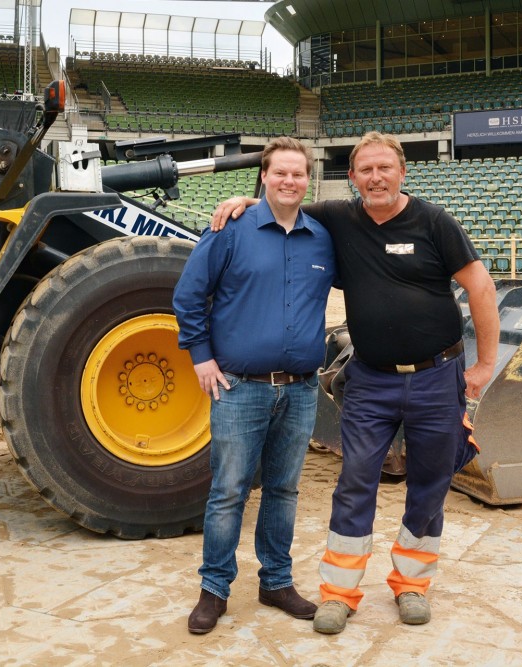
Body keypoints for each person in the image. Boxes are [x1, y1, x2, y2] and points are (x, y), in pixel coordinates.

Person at [210, 132, 499, 634]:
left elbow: (480, 287)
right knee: (355, 482)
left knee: (430, 486)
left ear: (402, 172)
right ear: (352, 178)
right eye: (365, 170)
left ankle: (412, 584)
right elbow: (283, 203)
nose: (376, 177)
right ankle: (339, 593)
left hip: (437, 378)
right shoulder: (339, 219)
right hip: (369, 381)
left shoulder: (435, 222)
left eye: (385, 168)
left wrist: (484, 364)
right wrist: (246, 201)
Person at [173, 137, 338, 635]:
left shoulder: (323, 239)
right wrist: (201, 357)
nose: (289, 181)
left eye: (298, 174)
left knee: (284, 491)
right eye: (280, 173)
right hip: (239, 388)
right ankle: (215, 590)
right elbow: (188, 297)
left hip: (302, 389)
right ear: (263, 176)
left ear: (308, 179)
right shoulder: (231, 229)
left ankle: (276, 582)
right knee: (228, 492)